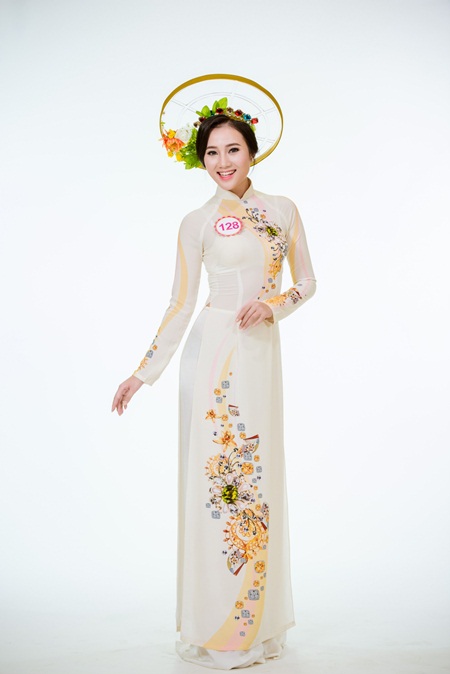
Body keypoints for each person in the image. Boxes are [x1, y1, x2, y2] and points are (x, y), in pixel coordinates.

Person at [112, 100, 316, 669]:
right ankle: (218, 628)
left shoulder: (283, 210)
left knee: (258, 481)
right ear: (199, 160)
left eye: (233, 149)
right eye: (211, 153)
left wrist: (274, 306)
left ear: (253, 151)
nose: (223, 162)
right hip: (213, 359)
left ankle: (255, 621)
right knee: (219, 484)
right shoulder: (196, 221)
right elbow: (180, 304)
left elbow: (307, 281)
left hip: (260, 351)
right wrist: (143, 372)